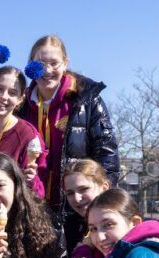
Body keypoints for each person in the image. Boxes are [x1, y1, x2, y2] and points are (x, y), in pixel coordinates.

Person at [21, 35, 120, 209]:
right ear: (30, 65)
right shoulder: (20, 106)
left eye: (54, 63)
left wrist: (102, 201)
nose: (47, 70)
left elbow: (107, 153)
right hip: (31, 205)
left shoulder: (86, 100)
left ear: (65, 63)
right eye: (40, 64)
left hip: (77, 207)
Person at [0, 66, 46, 198]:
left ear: (21, 98)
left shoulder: (28, 136)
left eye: (12, 93)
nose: (4, 96)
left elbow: (38, 193)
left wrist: (31, 180)